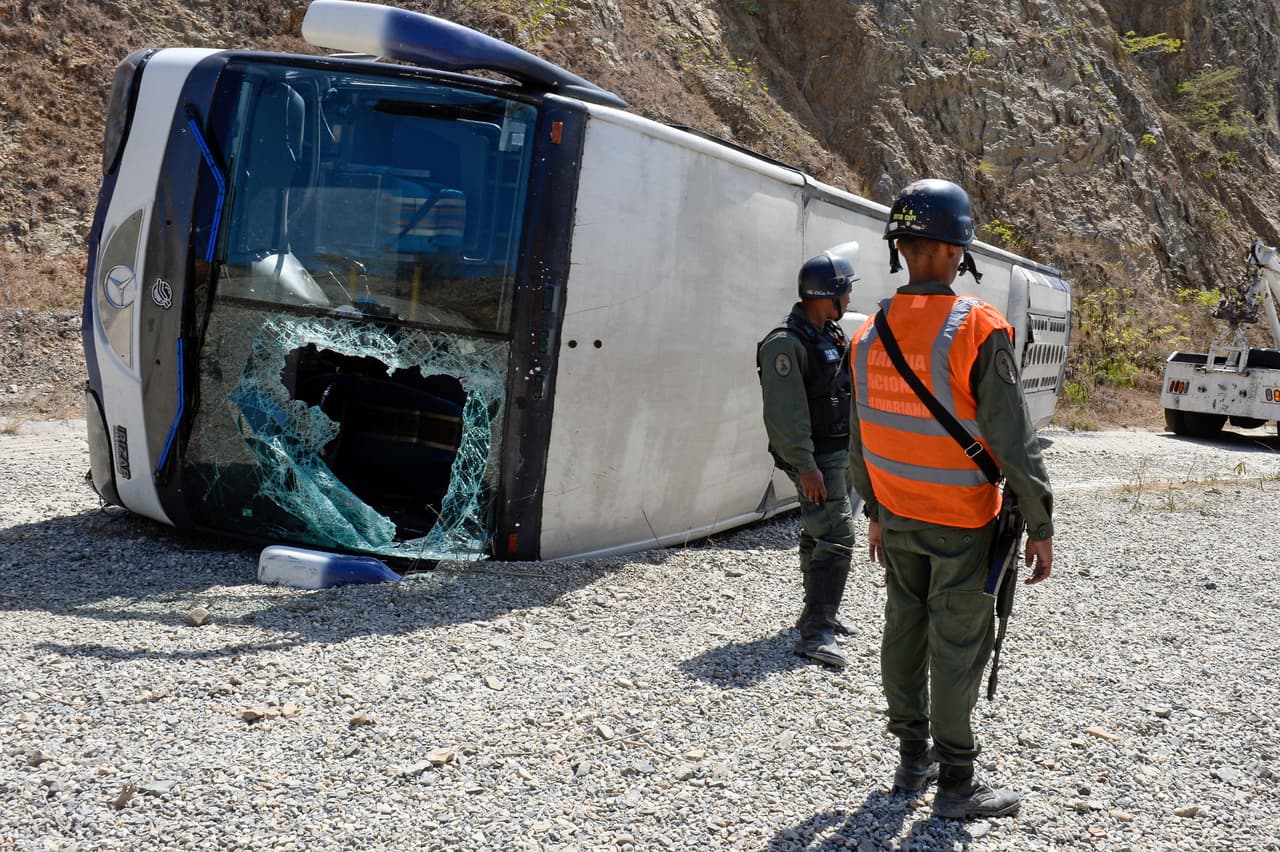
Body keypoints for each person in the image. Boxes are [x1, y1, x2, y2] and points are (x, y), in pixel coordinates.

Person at [847, 179, 1054, 819]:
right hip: (962, 521)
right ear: (955, 250)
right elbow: (1013, 439)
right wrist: (1040, 521)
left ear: (902, 248)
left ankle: (912, 760)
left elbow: (861, 435)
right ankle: (957, 783)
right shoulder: (977, 327)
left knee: (903, 631)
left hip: (897, 516)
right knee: (958, 646)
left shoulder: (868, 332)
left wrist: (875, 513)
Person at [757, 244, 861, 668]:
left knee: (818, 531)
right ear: (826, 294)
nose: (850, 297)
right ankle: (816, 633)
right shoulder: (786, 343)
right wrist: (805, 466)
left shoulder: (829, 334)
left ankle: (818, 615)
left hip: (838, 452)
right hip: (817, 459)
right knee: (837, 535)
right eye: (845, 290)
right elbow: (786, 414)